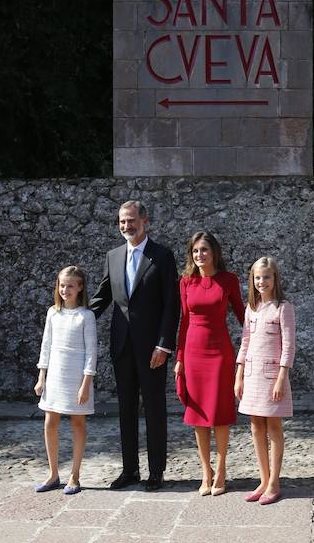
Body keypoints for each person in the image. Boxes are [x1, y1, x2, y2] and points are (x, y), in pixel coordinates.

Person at [90, 200, 178, 491]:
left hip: (153, 348)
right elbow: (103, 296)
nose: (126, 226)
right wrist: (74, 315)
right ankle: (130, 470)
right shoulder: (113, 256)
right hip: (122, 344)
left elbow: (171, 305)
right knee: (126, 409)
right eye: (122, 222)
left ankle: (156, 472)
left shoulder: (162, 256)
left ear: (145, 221)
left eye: (131, 221)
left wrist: (164, 345)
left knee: (154, 408)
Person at [174, 232, 244, 496]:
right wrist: (179, 358)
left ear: (214, 252)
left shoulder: (229, 280)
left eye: (204, 250)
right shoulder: (186, 281)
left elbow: (242, 314)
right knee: (199, 416)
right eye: (195, 251)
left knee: (220, 413)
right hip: (193, 353)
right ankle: (206, 471)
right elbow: (183, 322)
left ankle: (222, 467)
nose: (199, 255)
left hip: (219, 353)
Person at [235, 257, 297, 505]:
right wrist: (238, 374)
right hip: (252, 376)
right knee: (255, 427)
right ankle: (263, 479)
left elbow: (289, 346)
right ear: (253, 280)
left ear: (275, 279)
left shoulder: (284, 308)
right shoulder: (252, 308)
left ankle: (275, 482)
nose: (262, 282)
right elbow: (245, 343)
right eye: (257, 277)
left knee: (273, 427)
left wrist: (282, 377)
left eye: (266, 277)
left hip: (272, 378)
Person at [34, 266, 97, 495]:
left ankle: (75, 474)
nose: (65, 290)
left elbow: (91, 352)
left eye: (70, 285)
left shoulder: (86, 316)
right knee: (50, 421)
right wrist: (42, 376)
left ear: (80, 287)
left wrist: (86, 383)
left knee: (77, 423)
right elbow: (46, 345)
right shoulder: (53, 312)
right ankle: (53, 473)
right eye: (62, 285)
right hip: (55, 375)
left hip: (76, 376)